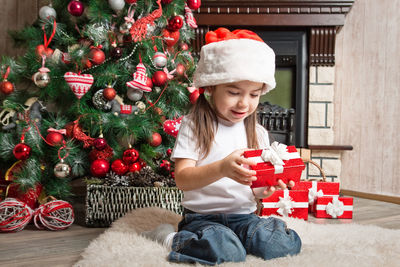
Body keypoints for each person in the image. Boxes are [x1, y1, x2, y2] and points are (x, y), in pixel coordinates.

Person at [142, 28, 301, 265]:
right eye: (234, 92)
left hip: (244, 217)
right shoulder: (194, 125)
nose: (244, 103)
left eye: (254, 95)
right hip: (202, 219)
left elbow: (252, 188)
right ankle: (170, 238)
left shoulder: (258, 133)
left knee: (281, 243)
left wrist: (266, 189)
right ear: (211, 87)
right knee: (226, 252)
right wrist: (222, 169)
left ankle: (237, 239)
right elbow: (183, 179)